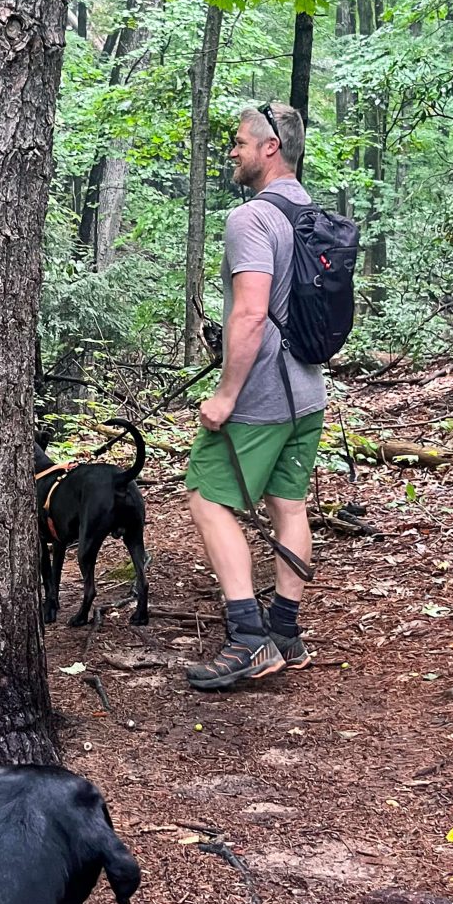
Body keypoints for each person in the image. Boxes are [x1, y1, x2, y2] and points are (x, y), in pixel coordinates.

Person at [185, 101, 324, 690]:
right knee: (288, 505)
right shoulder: (314, 214)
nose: (233, 152)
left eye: (241, 142)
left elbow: (248, 314)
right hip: (309, 389)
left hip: (262, 393)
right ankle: (286, 632)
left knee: (206, 495)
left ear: (271, 148)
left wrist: (224, 394)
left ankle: (247, 638)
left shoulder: (252, 220)